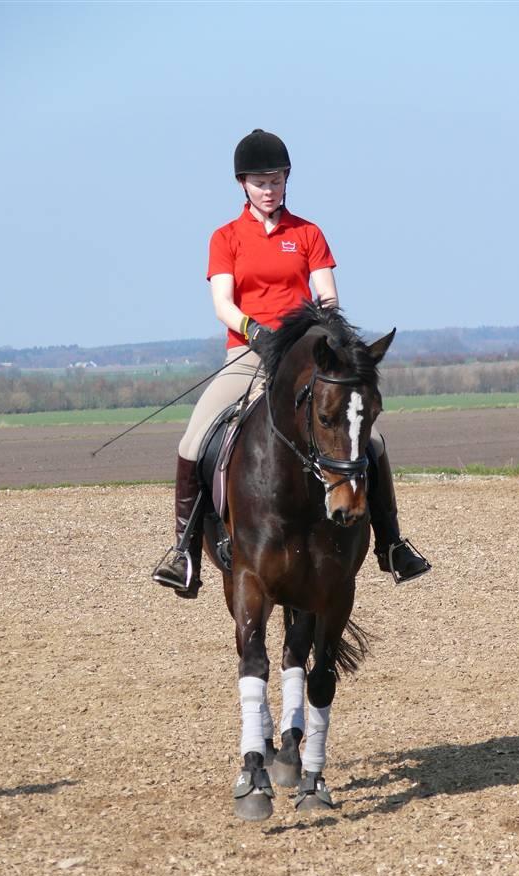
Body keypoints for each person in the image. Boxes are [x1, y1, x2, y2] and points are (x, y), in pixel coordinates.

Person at [153, 129, 430, 598]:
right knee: (193, 440)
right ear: (243, 183)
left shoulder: (308, 233)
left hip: (304, 360)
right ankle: (183, 552)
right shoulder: (225, 238)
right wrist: (255, 331)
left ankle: (392, 544)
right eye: (261, 181)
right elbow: (222, 303)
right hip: (247, 355)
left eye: (277, 179)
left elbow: (328, 297)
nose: (269, 188)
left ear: (286, 180)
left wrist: (323, 336)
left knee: (374, 441)